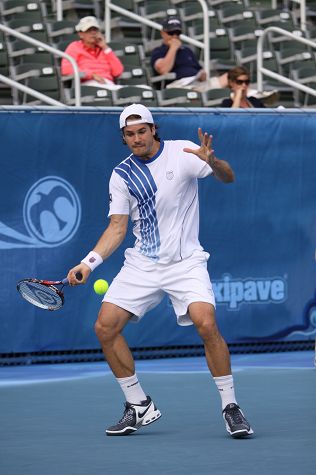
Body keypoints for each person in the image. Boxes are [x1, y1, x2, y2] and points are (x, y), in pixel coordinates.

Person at [67, 103, 254, 439]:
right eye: (130, 134)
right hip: (143, 264)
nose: (137, 138)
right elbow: (117, 228)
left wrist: (211, 160)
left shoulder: (183, 152)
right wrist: (88, 263)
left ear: (154, 129)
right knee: (105, 328)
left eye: (142, 131)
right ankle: (137, 403)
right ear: (123, 138)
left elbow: (229, 177)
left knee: (206, 323)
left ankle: (231, 407)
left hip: (185, 263)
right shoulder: (122, 175)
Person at [151, 16, 228, 92]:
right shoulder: (158, 51)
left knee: (231, 77)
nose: (174, 36)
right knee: (197, 93)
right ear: (163, 33)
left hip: (197, 83)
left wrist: (202, 75)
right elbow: (163, 69)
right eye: (171, 33)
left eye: (177, 33)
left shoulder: (187, 50)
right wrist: (173, 48)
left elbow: (199, 70)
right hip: (178, 86)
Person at [61, 16, 124, 89]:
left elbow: (118, 71)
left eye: (95, 30)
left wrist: (105, 47)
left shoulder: (104, 49)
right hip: (88, 85)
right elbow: (66, 69)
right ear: (81, 34)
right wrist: (92, 75)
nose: (93, 33)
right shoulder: (74, 47)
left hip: (108, 84)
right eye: (88, 30)